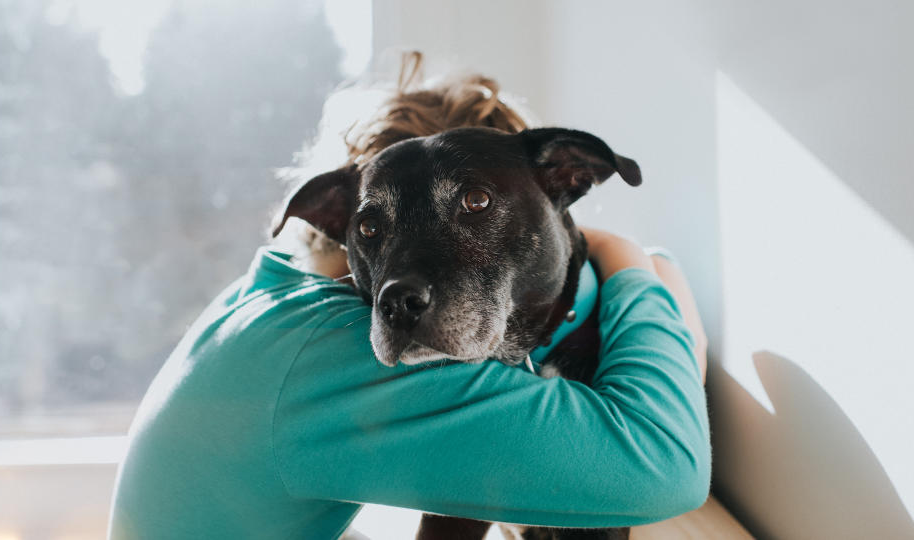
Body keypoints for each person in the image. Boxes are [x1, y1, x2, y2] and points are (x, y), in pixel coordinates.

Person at [107, 54, 711, 539]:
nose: (406, 275)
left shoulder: (269, 303)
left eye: (473, 207)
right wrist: (633, 263)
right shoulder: (330, 351)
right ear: (336, 218)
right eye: (375, 227)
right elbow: (666, 467)